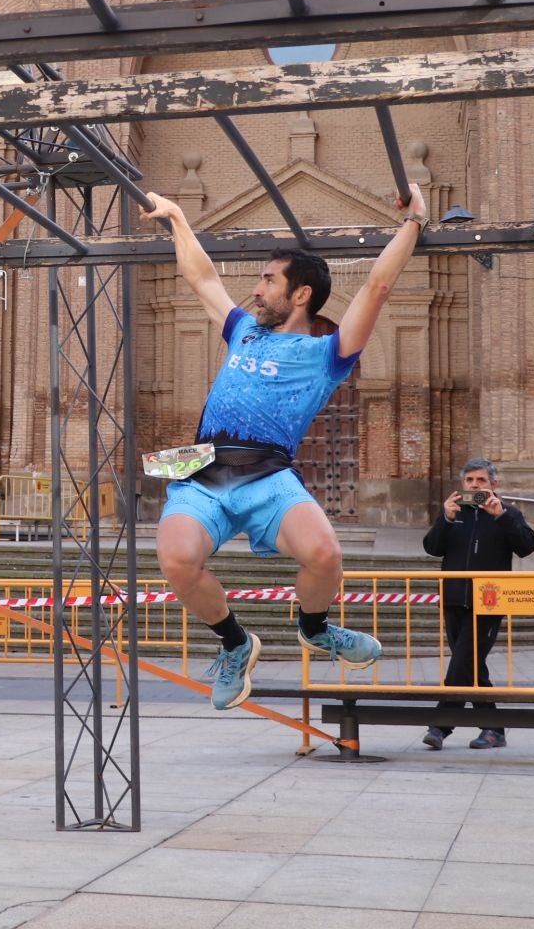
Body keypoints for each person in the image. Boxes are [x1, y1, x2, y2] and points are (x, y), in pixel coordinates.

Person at [146, 182, 429, 711]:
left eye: (267, 281)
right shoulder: (244, 332)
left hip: (267, 475)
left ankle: (316, 627)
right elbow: (202, 276)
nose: (256, 290)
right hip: (204, 468)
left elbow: (376, 288)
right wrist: (178, 218)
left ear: (300, 294)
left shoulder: (329, 353)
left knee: (325, 555)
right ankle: (235, 644)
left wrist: (413, 222)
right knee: (178, 560)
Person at [421, 456, 534, 749]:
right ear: (463, 484)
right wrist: (445, 519)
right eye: (470, 481)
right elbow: (432, 547)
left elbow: (526, 546)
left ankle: (440, 726)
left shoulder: (508, 513)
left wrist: (503, 517)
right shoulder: (455, 513)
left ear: (493, 485)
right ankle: (493, 729)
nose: (475, 485)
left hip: (488, 602)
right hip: (453, 599)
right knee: (471, 667)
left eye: (481, 481)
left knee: (463, 662)